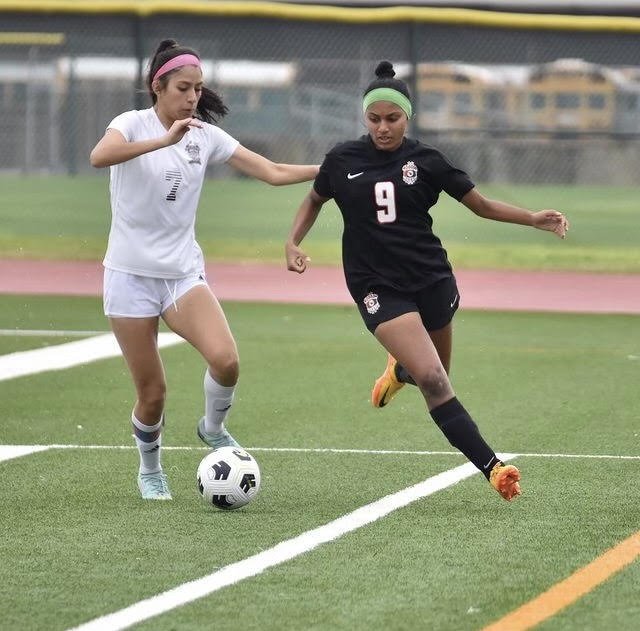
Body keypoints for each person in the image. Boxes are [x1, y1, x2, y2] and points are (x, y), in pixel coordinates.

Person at [285, 61, 569, 501]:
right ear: (365, 118)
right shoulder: (342, 159)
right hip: (376, 285)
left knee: (431, 374)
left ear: (408, 117)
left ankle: (400, 369)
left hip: (431, 277)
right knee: (436, 380)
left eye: (392, 119)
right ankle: (494, 468)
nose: (383, 128)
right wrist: (293, 242)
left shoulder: (427, 161)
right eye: (374, 119)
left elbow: (480, 205)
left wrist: (532, 218)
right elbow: (313, 198)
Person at [90, 39, 318, 500]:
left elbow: (272, 171)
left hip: (181, 275)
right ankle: (150, 470)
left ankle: (212, 428)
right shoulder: (130, 124)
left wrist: (338, 168)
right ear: (158, 86)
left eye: (198, 88)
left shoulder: (204, 136)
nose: (193, 97)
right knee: (152, 394)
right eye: (183, 88)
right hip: (129, 278)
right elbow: (100, 157)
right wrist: (163, 139)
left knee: (227, 360)